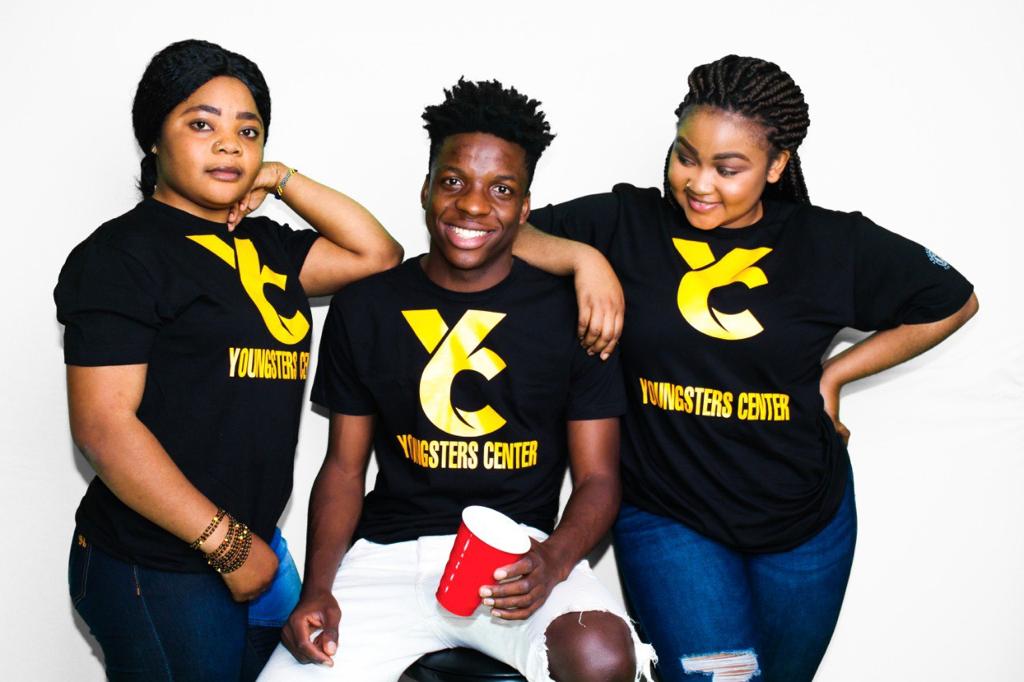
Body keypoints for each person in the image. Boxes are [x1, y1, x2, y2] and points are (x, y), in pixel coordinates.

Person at [517, 55, 979, 681]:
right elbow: (501, 232)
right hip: (671, 515)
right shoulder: (624, 223)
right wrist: (584, 260)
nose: (699, 183)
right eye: (686, 157)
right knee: (723, 679)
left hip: (804, 522)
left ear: (777, 165)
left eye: (728, 168)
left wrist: (835, 375)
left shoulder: (828, 243)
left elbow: (952, 300)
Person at [258, 78, 654, 682]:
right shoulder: (367, 306)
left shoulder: (573, 311)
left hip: (519, 555)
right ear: (425, 189)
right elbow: (343, 468)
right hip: (389, 557)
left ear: (525, 207)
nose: (473, 205)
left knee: (600, 655)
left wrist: (553, 560)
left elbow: (599, 478)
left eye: (501, 189)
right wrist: (317, 588)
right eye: (453, 182)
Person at [55, 39, 403, 681]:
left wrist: (280, 178)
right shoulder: (119, 256)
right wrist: (228, 546)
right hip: (161, 564)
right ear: (153, 139)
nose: (229, 145)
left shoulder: (267, 244)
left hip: (258, 548)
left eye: (248, 131)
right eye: (201, 124)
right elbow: (104, 427)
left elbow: (377, 254)